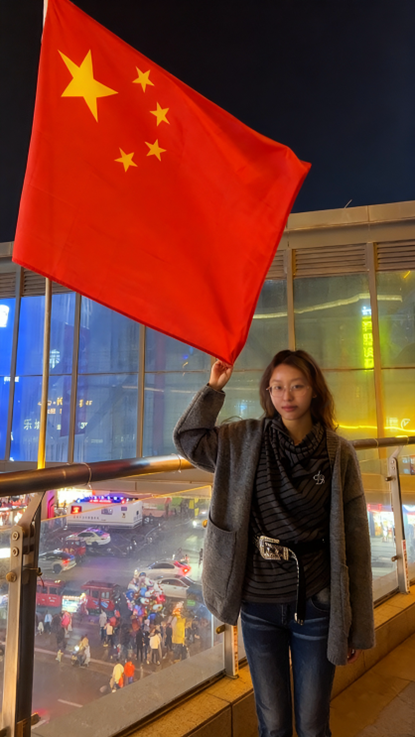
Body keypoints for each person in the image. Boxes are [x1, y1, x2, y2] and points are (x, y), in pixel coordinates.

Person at [174, 350, 375, 737]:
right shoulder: (245, 440)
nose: (287, 395)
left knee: (313, 725)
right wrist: (214, 389)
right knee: (273, 725)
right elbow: (189, 441)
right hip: (258, 602)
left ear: (314, 390)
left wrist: (357, 626)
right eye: (277, 387)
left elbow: (356, 545)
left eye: (297, 386)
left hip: (317, 602)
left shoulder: (338, 453)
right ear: (267, 392)